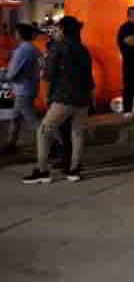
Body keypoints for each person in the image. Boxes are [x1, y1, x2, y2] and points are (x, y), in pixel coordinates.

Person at [23, 16, 94, 184]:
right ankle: (74, 170)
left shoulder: (58, 47)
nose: (55, 32)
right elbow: (89, 77)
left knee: (44, 130)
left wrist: (47, 95)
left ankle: (42, 171)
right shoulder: (83, 49)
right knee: (77, 133)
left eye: (57, 29)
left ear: (63, 29)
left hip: (64, 97)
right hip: (83, 97)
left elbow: (49, 75)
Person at [1, 24, 41, 154]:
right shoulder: (34, 49)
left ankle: (53, 142)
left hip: (23, 89)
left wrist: (4, 74)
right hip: (29, 87)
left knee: (33, 120)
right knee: (15, 118)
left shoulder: (21, 50)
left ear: (20, 34)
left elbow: (12, 73)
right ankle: (11, 143)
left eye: (16, 32)